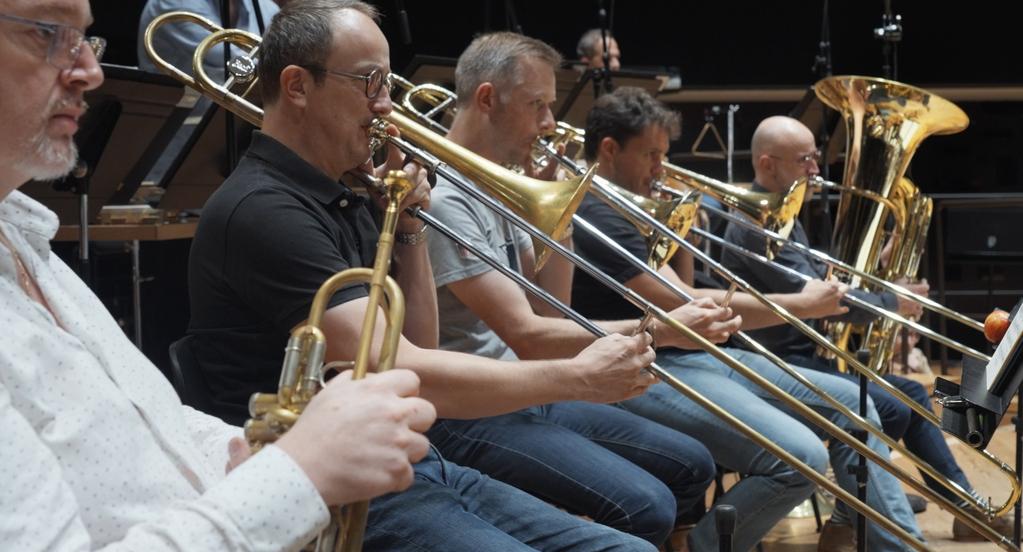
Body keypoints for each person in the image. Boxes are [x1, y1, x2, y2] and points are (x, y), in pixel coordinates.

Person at [187, 1, 660, 550]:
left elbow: (417, 347)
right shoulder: (263, 209)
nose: (387, 105)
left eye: (386, 82)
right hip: (330, 498)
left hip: (402, 461)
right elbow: (408, 368)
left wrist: (408, 225)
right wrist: (578, 377)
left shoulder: (345, 190)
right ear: (297, 86)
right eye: (370, 82)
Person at [0, 0, 437, 550]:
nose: (91, 71)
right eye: (49, 33)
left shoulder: (24, 237)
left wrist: (266, 450)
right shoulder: (262, 207)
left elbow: (154, 422)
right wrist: (299, 471)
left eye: (87, 39)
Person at [572, 87, 924, 552]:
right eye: (651, 155)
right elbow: (680, 299)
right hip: (642, 367)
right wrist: (803, 305)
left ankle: (900, 545)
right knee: (800, 459)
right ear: (610, 150)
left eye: (664, 154)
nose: (661, 167)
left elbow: (684, 290)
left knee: (854, 406)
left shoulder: (628, 207)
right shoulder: (595, 210)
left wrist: (675, 225)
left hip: (687, 353)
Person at [425, 31, 719, 547]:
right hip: (470, 407)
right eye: (538, 105)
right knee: (646, 506)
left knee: (693, 464)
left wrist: (559, 215)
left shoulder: (505, 183)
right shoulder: (445, 197)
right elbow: (529, 335)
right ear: (488, 98)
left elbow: (549, 310)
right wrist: (663, 328)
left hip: (527, 385)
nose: (549, 124)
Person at [721, 114, 1012, 541]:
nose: (816, 170)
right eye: (805, 160)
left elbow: (820, 276)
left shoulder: (782, 214)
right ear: (767, 165)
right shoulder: (755, 224)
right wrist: (892, 301)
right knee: (896, 405)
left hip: (805, 356)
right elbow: (821, 301)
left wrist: (880, 275)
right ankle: (863, 512)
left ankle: (936, 508)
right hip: (775, 364)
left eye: (815, 158)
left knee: (911, 392)